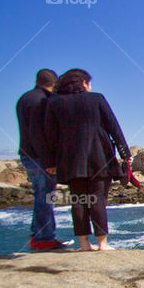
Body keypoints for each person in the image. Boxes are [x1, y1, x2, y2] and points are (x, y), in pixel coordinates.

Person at [46, 69, 131, 251]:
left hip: (70, 158)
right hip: (99, 156)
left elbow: (51, 135)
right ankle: (102, 243)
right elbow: (114, 127)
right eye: (89, 83)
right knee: (98, 199)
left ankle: (84, 244)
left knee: (78, 200)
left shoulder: (54, 102)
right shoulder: (96, 99)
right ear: (83, 83)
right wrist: (125, 154)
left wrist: (52, 161)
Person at [16, 68, 68, 250]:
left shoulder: (24, 98)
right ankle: (45, 238)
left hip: (27, 154)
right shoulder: (43, 100)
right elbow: (38, 133)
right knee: (46, 196)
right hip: (39, 157)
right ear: (54, 84)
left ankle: (38, 235)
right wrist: (50, 161)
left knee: (41, 195)